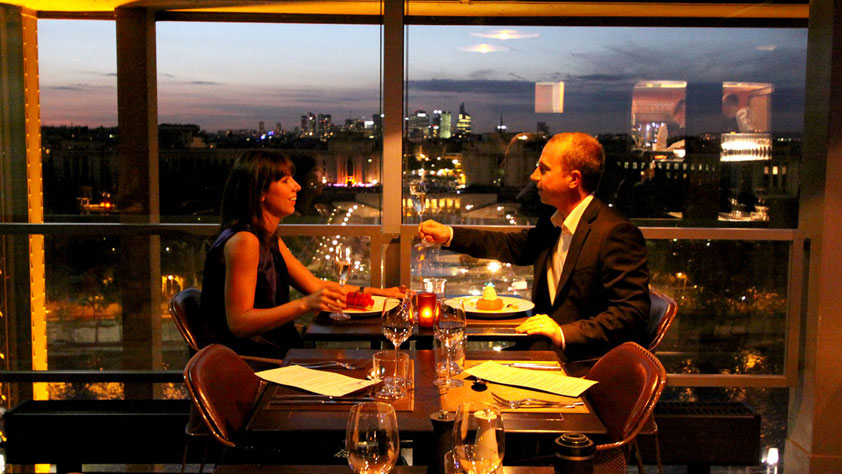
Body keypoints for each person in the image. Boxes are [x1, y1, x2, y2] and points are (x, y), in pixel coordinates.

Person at [418, 133, 650, 360]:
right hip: (542, 351)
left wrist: (561, 333)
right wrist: (449, 234)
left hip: (583, 363)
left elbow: (631, 314)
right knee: (458, 366)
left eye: (544, 169)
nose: (533, 176)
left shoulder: (615, 232)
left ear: (574, 179)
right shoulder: (554, 219)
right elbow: (512, 246)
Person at [201, 150, 406, 358]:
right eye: (285, 180)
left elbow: (316, 286)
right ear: (260, 193)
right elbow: (239, 323)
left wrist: (382, 293)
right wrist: (305, 304)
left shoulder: (266, 237)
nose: (297, 186)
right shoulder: (245, 241)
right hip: (255, 362)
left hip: (273, 354)